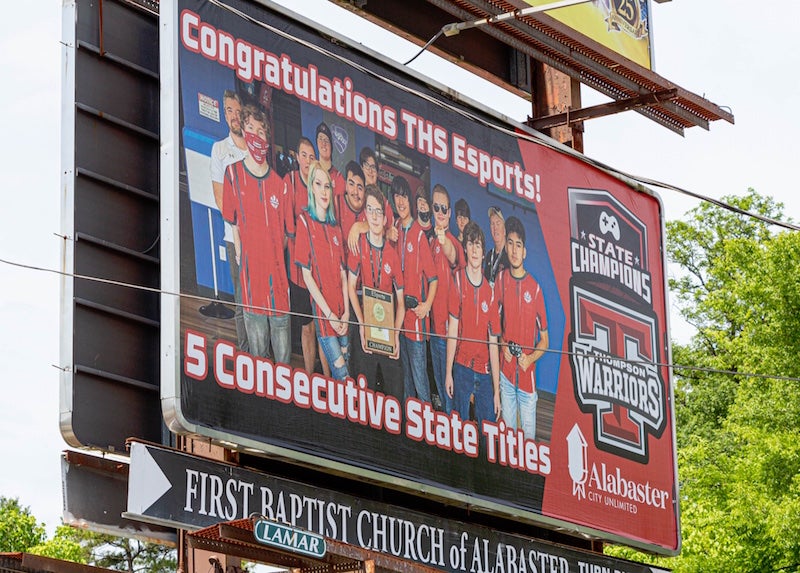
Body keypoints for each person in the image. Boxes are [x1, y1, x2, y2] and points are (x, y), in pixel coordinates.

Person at [221, 105, 292, 362]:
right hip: (252, 291)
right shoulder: (233, 174)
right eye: (250, 128)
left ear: (267, 137)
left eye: (261, 131)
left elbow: (285, 235)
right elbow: (234, 224)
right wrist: (243, 256)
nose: (255, 135)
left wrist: (272, 256)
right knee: (259, 363)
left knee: (282, 365)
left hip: (280, 292)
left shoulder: (280, 185)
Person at [348, 185, 406, 399]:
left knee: (396, 391)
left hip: (388, 330)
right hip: (366, 326)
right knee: (364, 392)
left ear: (384, 219)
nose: (374, 215)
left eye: (378, 211)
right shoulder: (358, 246)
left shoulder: (392, 255)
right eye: (370, 210)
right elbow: (350, 288)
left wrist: (396, 334)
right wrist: (362, 325)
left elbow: (401, 302)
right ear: (365, 215)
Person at [295, 162, 350, 381]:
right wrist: (329, 314)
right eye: (319, 184)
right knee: (342, 374)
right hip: (325, 316)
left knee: (347, 370)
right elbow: (307, 277)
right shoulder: (304, 222)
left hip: (343, 316)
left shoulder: (335, 227)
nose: (324, 191)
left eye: (327, 186)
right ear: (311, 188)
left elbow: (343, 274)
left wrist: (345, 313)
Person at [495, 216, 549, 439]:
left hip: (527, 379)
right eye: (510, 243)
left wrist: (530, 358)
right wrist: (502, 345)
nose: (514, 250)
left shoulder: (535, 289)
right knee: (507, 439)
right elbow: (494, 326)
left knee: (528, 443)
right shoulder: (500, 280)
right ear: (506, 247)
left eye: (519, 245)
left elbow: (545, 341)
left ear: (524, 251)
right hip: (506, 375)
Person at [445, 221, 501, 431]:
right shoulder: (457, 281)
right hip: (462, 367)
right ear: (465, 248)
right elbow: (452, 331)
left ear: (483, 252)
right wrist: (449, 372)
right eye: (471, 244)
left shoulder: (491, 292)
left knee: (489, 434)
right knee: (458, 430)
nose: (475, 250)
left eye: (479, 245)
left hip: (484, 373)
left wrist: (496, 391)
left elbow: (493, 344)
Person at [391, 176, 438, 402]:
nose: (400, 201)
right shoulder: (396, 227)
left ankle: (428, 426)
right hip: (399, 318)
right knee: (406, 378)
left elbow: (434, 279)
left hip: (416, 322)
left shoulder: (419, 234)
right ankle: (410, 426)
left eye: (403, 196)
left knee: (420, 380)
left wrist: (427, 305)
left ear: (410, 199)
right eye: (396, 196)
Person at [210, 90, 249, 351]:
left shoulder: (256, 147)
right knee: (241, 299)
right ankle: (247, 352)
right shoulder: (220, 149)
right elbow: (220, 199)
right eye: (229, 111)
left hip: (261, 240)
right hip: (234, 239)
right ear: (225, 114)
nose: (234, 116)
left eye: (237, 110)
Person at [427, 184, 463, 413]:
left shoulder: (453, 243)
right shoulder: (431, 242)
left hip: (449, 336)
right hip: (433, 329)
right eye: (436, 207)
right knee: (440, 388)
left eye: (444, 208)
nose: (440, 212)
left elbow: (451, 254)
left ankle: (454, 437)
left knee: (451, 392)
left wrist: (442, 238)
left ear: (450, 212)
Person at [284, 136, 318, 373]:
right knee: (306, 325)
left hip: (320, 270)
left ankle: (326, 378)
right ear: (297, 157)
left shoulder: (320, 185)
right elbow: (287, 229)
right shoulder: (290, 181)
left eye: (311, 156)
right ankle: (308, 374)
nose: (307, 160)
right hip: (298, 270)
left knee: (321, 326)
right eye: (303, 155)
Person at [316, 122, 346, 198]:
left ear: (331, 147)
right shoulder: (312, 172)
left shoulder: (338, 177)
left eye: (326, 140)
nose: (323, 143)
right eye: (320, 139)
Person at [484, 205, 509, 286]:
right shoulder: (489, 255)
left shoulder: (510, 256)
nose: (495, 228)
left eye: (498, 223)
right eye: (492, 224)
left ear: (504, 229)